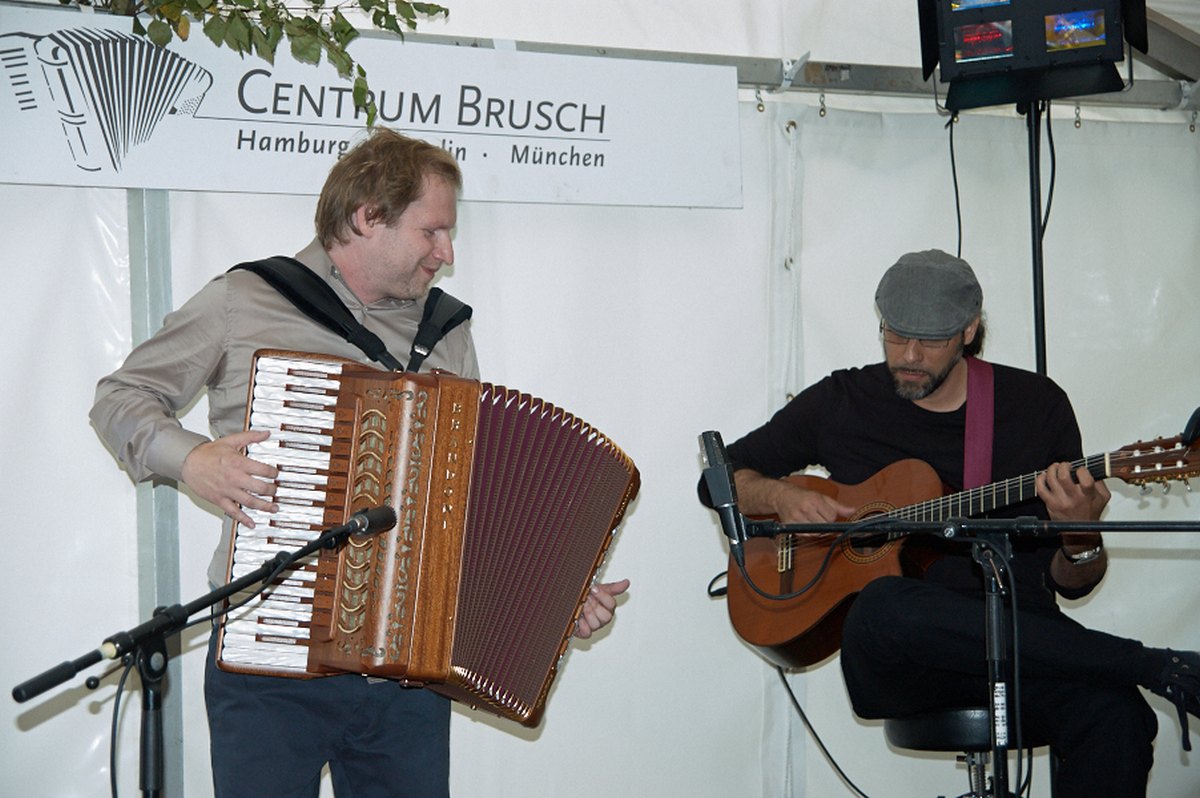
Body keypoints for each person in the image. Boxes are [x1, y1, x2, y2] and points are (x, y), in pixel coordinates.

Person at [90, 127, 629, 798]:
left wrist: (551, 597)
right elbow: (121, 397)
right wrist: (192, 459)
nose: (447, 252)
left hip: (406, 679)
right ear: (369, 216)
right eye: (432, 231)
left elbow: (468, 497)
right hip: (270, 660)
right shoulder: (246, 299)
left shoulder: (445, 332)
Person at [716, 249, 1200, 798]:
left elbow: (1072, 583)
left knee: (1118, 714)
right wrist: (779, 495)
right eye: (895, 335)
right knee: (885, 603)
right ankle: (1151, 663)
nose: (910, 355)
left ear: (969, 331)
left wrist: (1079, 536)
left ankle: (1144, 673)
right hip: (903, 659)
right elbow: (720, 477)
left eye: (931, 340)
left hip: (1019, 645)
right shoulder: (843, 401)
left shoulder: (1035, 406)